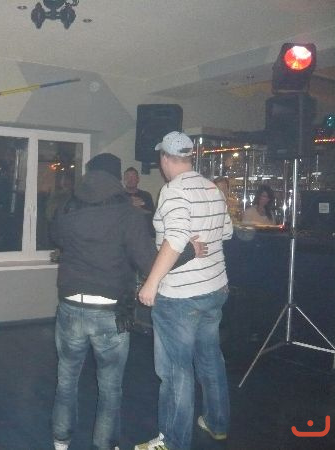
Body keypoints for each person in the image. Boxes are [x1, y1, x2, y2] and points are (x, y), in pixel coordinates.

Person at [50, 153, 202, 450]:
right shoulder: (127, 214)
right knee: (110, 387)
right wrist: (189, 251)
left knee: (66, 381)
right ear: (117, 178)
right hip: (110, 311)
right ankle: (104, 445)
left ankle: (60, 441)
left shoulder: (67, 208)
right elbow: (149, 264)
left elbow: (55, 237)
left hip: (70, 306)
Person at [136, 131, 233, 450]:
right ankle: (217, 423)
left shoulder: (173, 190)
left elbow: (176, 238)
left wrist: (151, 282)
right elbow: (226, 232)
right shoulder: (211, 188)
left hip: (180, 296)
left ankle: (172, 442)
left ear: (165, 158)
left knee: (176, 371)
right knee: (210, 359)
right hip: (215, 288)